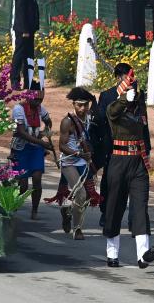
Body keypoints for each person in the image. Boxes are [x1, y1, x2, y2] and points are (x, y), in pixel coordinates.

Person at [103, 67, 154, 268]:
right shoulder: (113, 107)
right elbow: (113, 112)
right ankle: (112, 252)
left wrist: (148, 154)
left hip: (138, 163)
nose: (135, 92)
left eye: (136, 89)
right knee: (115, 206)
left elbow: (145, 131)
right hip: (118, 161)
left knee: (140, 207)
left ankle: (143, 254)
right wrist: (125, 99)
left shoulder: (139, 108)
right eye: (130, 88)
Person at [10, 83, 53, 220]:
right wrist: (42, 142)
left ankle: (35, 209)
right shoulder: (18, 109)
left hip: (36, 149)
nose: (38, 103)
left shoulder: (41, 109)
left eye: (41, 100)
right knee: (22, 184)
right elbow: (22, 132)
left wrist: (44, 132)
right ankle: (13, 205)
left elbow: (48, 121)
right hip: (21, 148)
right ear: (29, 97)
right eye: (36, 100)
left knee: (37, 179)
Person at [57, 87, 94, 240]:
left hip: (83, 160)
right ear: (73, 104)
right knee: (81, 193)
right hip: (69, 161)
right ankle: (77, 229)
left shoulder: (90, 118)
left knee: (85, 198)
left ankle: (68, 211)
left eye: (86, 104)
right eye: (79, 104)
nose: (83, 108)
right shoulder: (67, 122)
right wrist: (78, 153)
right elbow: (62, 146)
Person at [11, 0, 38, 89]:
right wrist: (25, 30)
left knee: (28, 56)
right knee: (19, 55)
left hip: (29, 29)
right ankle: (15, 80)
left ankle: (28, 81)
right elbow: (21, 12)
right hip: (23, 31)